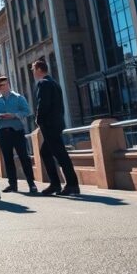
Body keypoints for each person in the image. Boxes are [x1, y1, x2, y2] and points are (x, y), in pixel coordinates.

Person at [32, 60, 80, 196]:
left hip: (49, 124)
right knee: (47, 152)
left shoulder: (43, 83)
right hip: (57, 123)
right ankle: (57, 184)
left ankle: (70, 184)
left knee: (60, 155)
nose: (33, 72)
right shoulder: (54, 83)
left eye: (33, 69)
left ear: (40, 69)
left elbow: (43, 104)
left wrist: (38, 119)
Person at [0, 76, 38, 194]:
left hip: (17, 131)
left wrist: (14, 115)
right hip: (3, 132)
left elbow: (27, 111)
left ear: (7, 85)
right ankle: (12, 185)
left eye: (2, 85)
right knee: (8, 159)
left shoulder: (18, 98)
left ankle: (31, 184)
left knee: (24, 157)